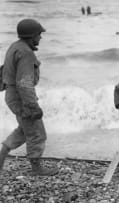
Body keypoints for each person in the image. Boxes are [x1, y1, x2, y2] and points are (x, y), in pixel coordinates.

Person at [0, 19, 58, 176]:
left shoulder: (15, 46)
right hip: (21, 97)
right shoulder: (26, 53)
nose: (40, 38)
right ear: (31, 36)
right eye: (39, 34)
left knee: (25, 130)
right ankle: (36, 168)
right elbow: (25, 83)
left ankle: (2, 154)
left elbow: (5, 70)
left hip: (12, 95)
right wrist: (32, 106)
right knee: (37, 133)